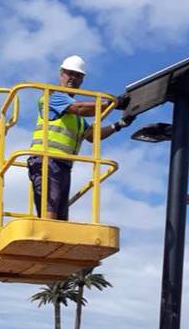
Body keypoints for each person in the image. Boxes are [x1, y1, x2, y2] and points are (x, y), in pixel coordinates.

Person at [28, 55, 132, 220]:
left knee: (60, 216)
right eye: (70, 73)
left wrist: (119, 125)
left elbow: (92, 136)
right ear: (61, 73)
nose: (73, 78)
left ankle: (54, 240)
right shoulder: (51, 96)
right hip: (46, 161)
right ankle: (46, 240)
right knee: (50, 208)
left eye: (77, 76)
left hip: (63, 165)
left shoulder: (76, 120)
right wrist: (112, 103)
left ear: (82, 80)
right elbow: (80, 107)